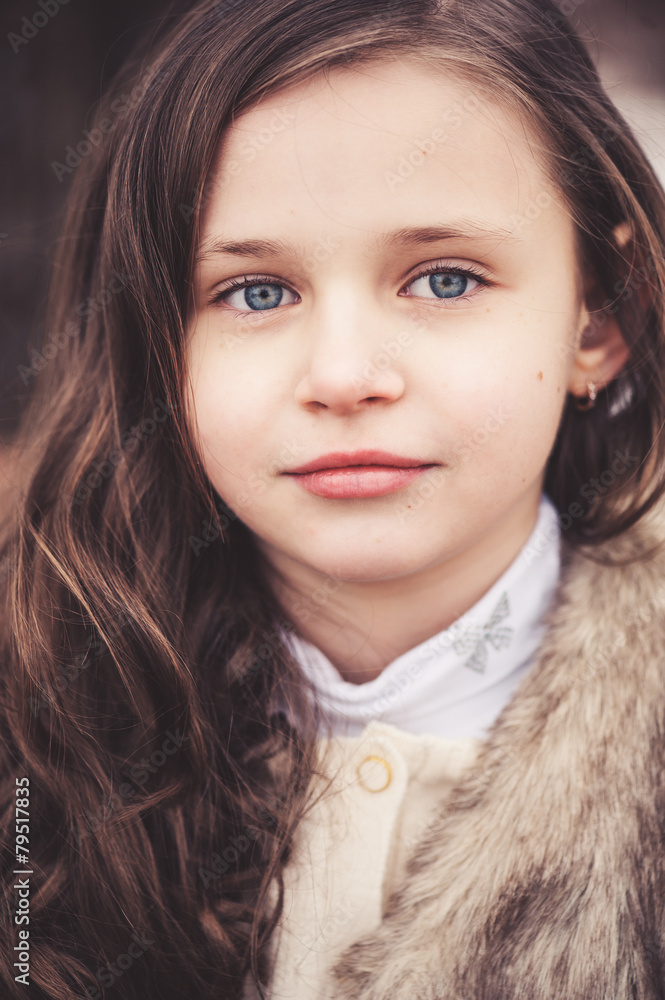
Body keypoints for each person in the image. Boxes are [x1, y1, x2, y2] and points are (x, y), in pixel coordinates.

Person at [2, 0, 665, 997]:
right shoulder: (36, 729)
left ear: (598, 314)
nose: (345, 373)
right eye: (255, 293)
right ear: (158, 345)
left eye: (443, 279)